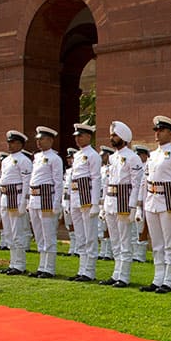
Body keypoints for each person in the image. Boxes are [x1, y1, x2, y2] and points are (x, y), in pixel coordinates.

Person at [136, 116, 171, 294]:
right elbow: (145, 181)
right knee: (156, 243)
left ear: (170, 133)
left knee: (170, 243)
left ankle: (169, 280)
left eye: (161, 130)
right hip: (152, 201)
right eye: (156, 130)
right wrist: (141, 206)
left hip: (168, 202)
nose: (157, 133)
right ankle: (158, 278)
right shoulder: (153, 155)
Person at [100, 121, 141, 288]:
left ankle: (124, 276)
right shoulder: (112, 158)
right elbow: (107, 182)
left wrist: (133, 206)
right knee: (115, 241)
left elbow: (136, 183)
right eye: (111, 135)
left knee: (125, 241)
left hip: (124, 202)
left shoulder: (132, 157)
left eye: (115, 135)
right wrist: (103, 205)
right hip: (111, 201)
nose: (112, 138)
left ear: (124, 137)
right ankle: (116, 273)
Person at [27, 126, 64, 279]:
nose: (38, 142)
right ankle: (42, 266)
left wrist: (56, 203)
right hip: (35, 198)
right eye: (37, 139)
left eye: (41, 139)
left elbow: (58, 182)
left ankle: (49, 268)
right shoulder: (36, 158)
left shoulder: (55, 158)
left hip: (47, 198)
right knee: (39, 235)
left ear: (50, 140)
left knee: (48, 234)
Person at [68, 120, 102, 282]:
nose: (77, 139)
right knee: (80, 235)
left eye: (80, 136)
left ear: (88, 136)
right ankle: (82, 269)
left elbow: (95, 179)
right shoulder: (77, 155)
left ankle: (89, 270)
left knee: (90, 235)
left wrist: (95, 203)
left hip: (87, 197)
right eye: (76, 136)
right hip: (75, 196)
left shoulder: (93, 155)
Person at [0, 131, 33, 275]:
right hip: (6, 196)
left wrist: (24, 201)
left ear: (20, 144)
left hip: (16, 196)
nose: (10, 145)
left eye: (12, 142)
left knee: (17, 231)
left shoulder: (24, 160)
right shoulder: (6, 160)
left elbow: (26, 182)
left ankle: (20, 264)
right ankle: (13, 262)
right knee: (9, 232)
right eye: (9, 142)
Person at [131, 144, 151, 263]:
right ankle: (136, 253)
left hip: (145, 201)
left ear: (144, 155)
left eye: (139, 154)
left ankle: (140, 255)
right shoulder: (136, 167)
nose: (137, 156)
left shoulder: (146, 167)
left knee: (142, 229)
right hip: (135, 201)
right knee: (135, 229)